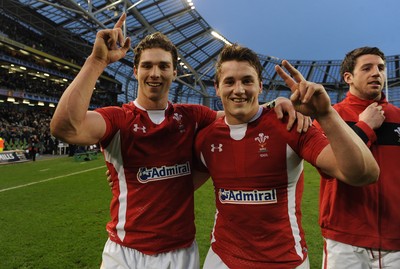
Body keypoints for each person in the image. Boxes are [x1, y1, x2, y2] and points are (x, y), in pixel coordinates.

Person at [50, 14, 309, 269]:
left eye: (163, 66)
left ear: (174, 71)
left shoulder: (192, 116)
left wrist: (276, 104)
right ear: (135, 70)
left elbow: (237, 112)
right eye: (147, 65)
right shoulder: (118, 119)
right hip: (125, 251)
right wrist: (97, 61)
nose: (155, 73)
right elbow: (65, 128)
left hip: (180, 252)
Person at [193, 44, 379, 269]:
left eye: (247, 81)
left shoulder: (289, 125)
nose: (239, 90)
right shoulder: (206, 137)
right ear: (217, 88)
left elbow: (363, 174)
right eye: (230, 82)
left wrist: (325, 113)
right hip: (222, 259)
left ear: (260, 86)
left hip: (285, 262)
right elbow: (173, 186)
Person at [314, 47, 400, 268]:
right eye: (367, 68)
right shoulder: (330, 117)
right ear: (348, 77)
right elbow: (328, 167)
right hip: (346, 241)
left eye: (381, 68)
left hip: (396, 241)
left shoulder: (398, 118)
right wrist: (364, 127)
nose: (376, 73)